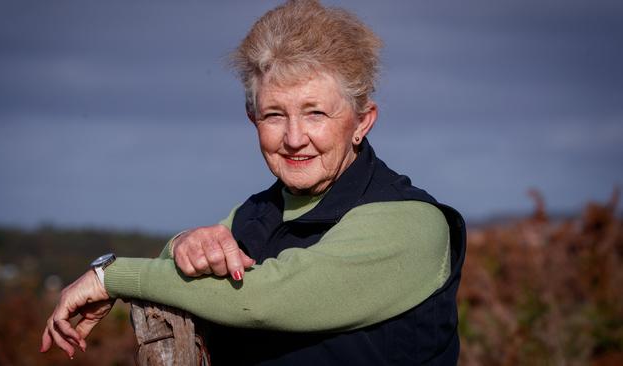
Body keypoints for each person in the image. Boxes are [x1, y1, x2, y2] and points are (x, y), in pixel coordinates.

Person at [41, 0, 466, 364]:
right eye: (274, 115)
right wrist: (184, 244)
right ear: (252, 119)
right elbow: (188, 276)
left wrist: (111, 277)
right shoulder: (255, 213)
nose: (294, 137)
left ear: (362, 121)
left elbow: (260, 301)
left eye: (315, 112)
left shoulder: (411, 223)